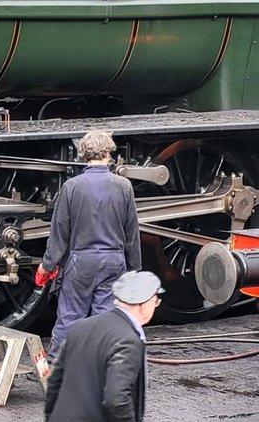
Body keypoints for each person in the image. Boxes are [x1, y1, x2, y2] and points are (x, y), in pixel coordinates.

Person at [35, 129, 141, 361]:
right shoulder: (124, 186)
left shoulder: (72, 187)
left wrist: (48, 263)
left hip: (81, 261)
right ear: (108, 153)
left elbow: (60, 230)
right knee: (105, 318)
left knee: (70, 317)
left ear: (83, 154)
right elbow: (132, 232)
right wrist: (134, 270)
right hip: (114, 261)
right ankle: (100, 367)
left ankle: (56, 366)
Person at [44, 270, 164, 422]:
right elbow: (116, 398)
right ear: (144, 305)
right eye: (155, 302)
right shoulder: (128, 341)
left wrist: (49, 417)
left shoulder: (81, 326)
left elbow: (54, 381)